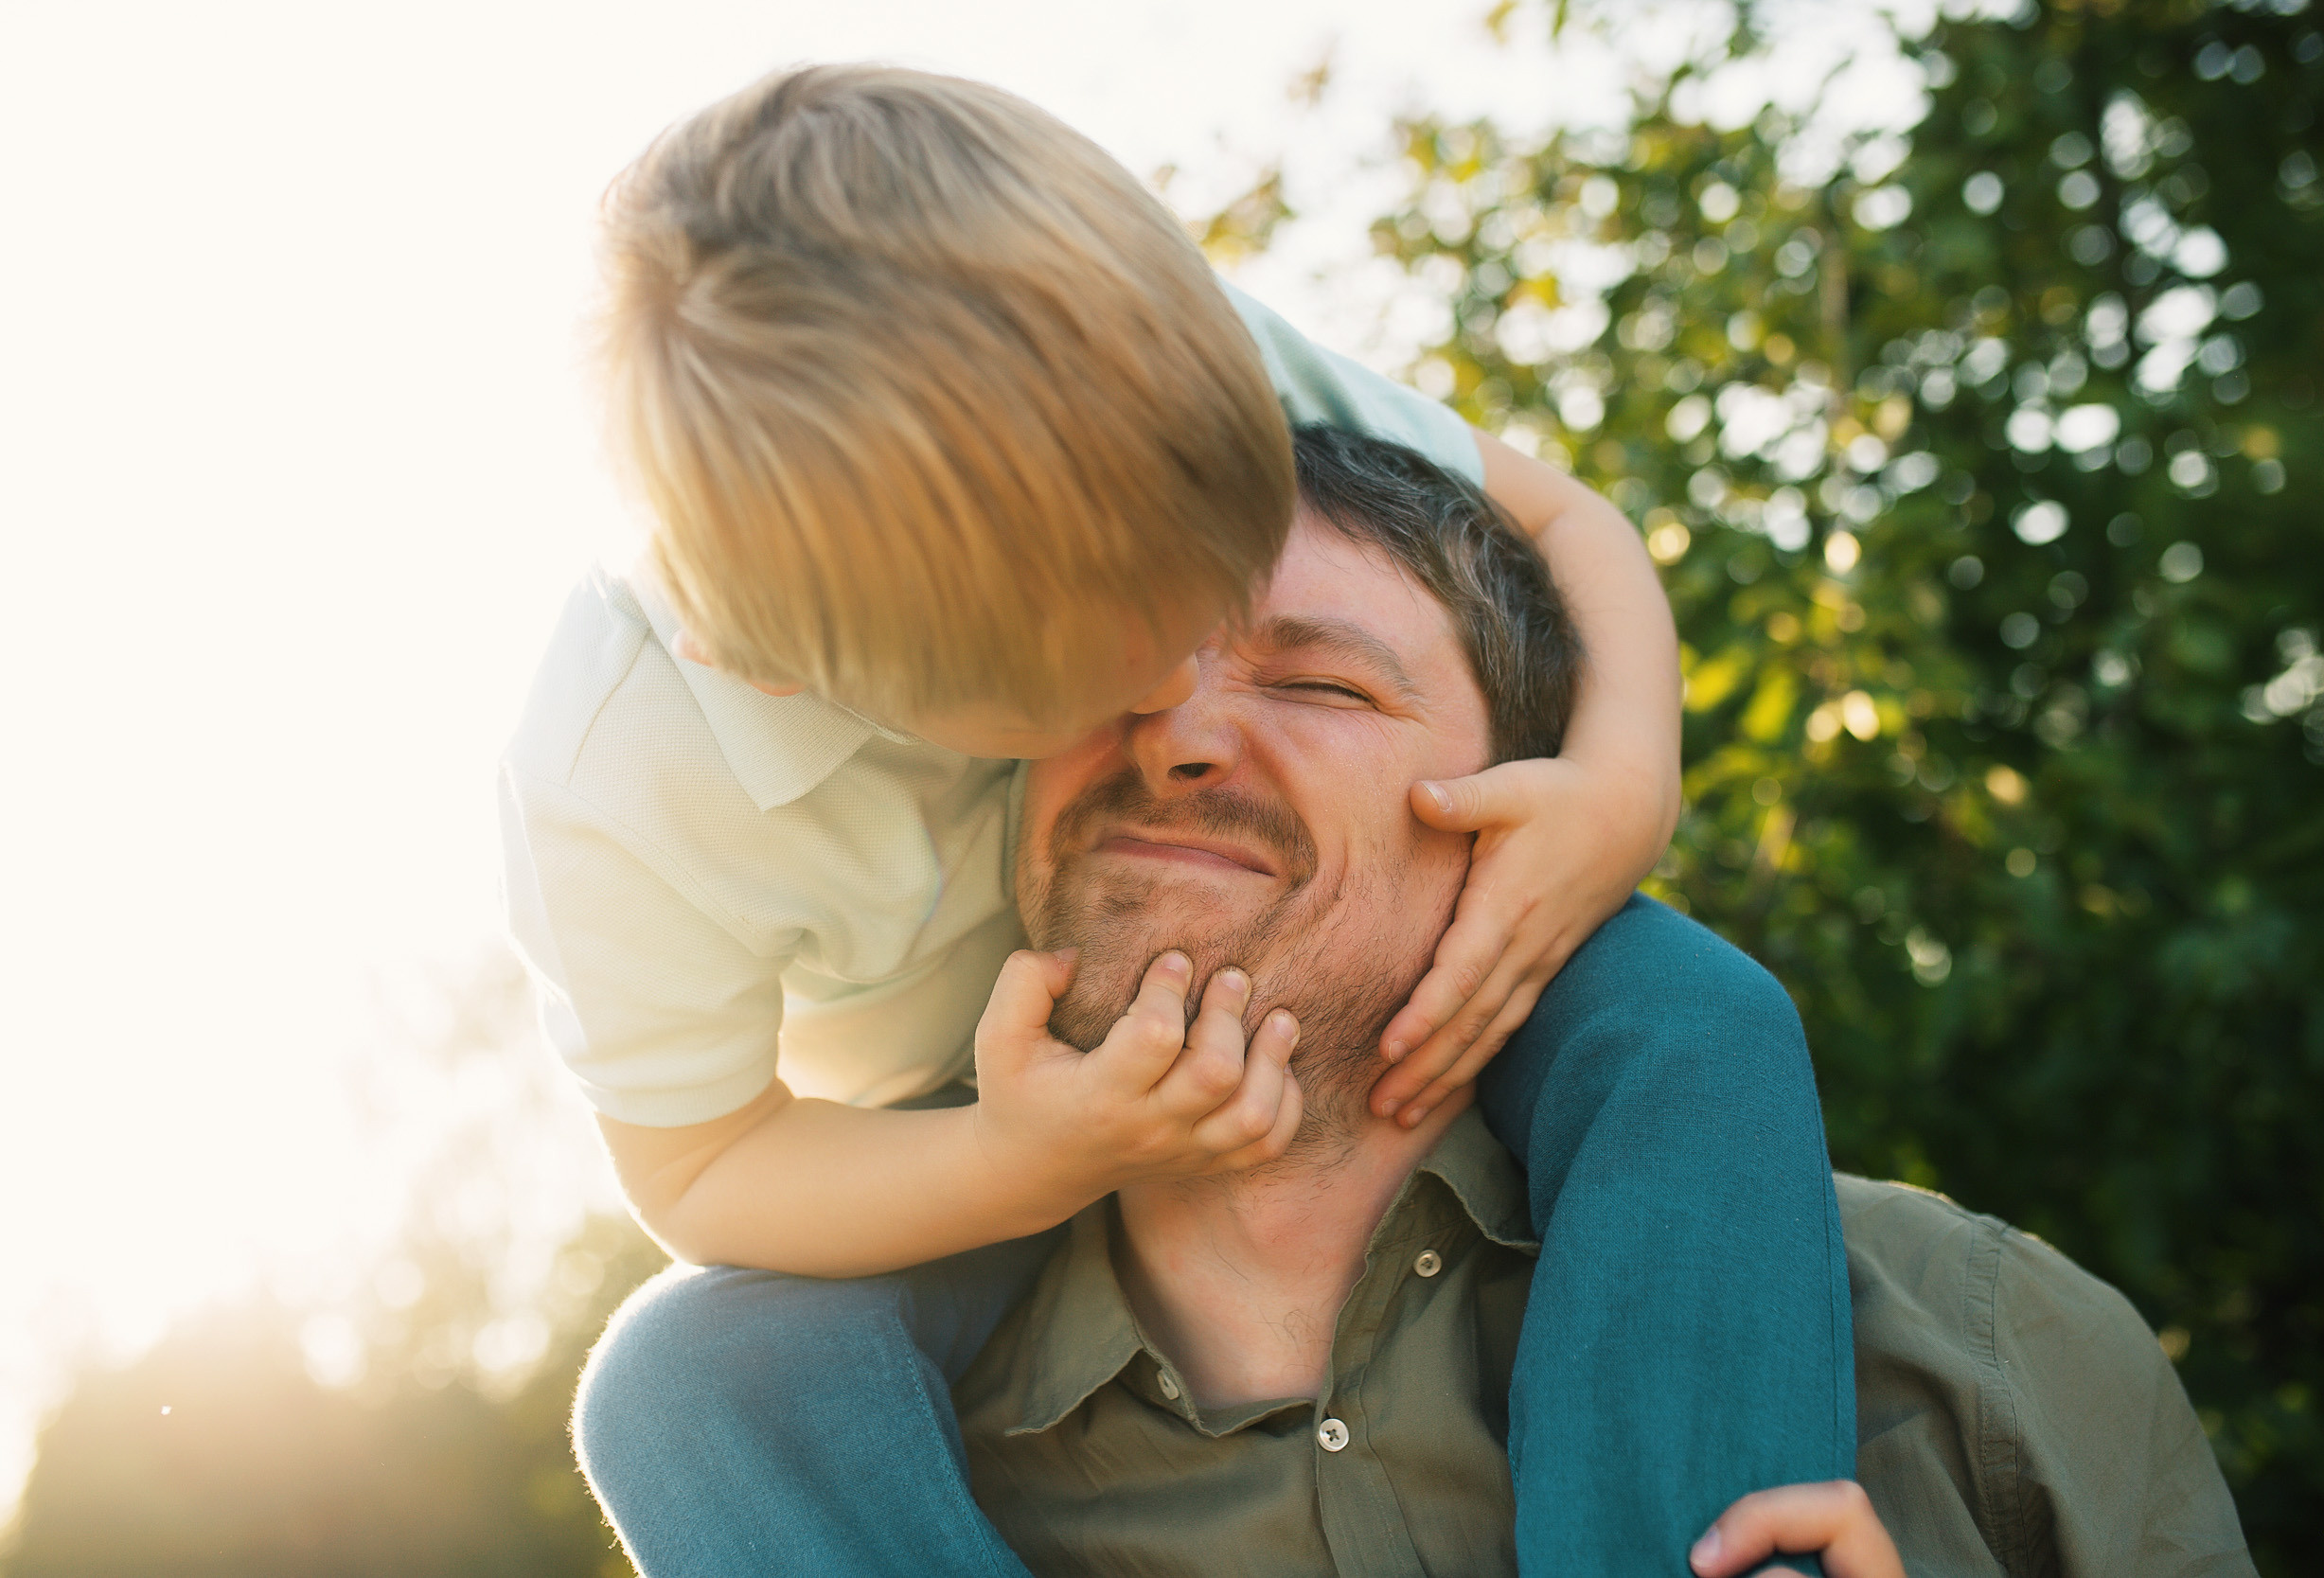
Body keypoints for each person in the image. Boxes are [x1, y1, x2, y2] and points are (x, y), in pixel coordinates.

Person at [519, 66, 1845, 1575]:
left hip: (1337, 956)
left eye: (1212, 586)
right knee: (689, 1388)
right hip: (952, 1131)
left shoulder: (1146, 366)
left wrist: (1620, 785)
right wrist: (1023, 1162)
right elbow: (701, 1171)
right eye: (1100, 669)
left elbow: (1566, 522)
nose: (1181, 691)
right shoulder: (618, 784)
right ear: (787, 670)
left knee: (1692, 1017)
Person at [955, 425, 2256, 1578]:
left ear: (1523, 822)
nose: (1171, 732)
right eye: (1105, 670)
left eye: (1320, 685)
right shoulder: (858, 1472)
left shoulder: (1986, 1355)